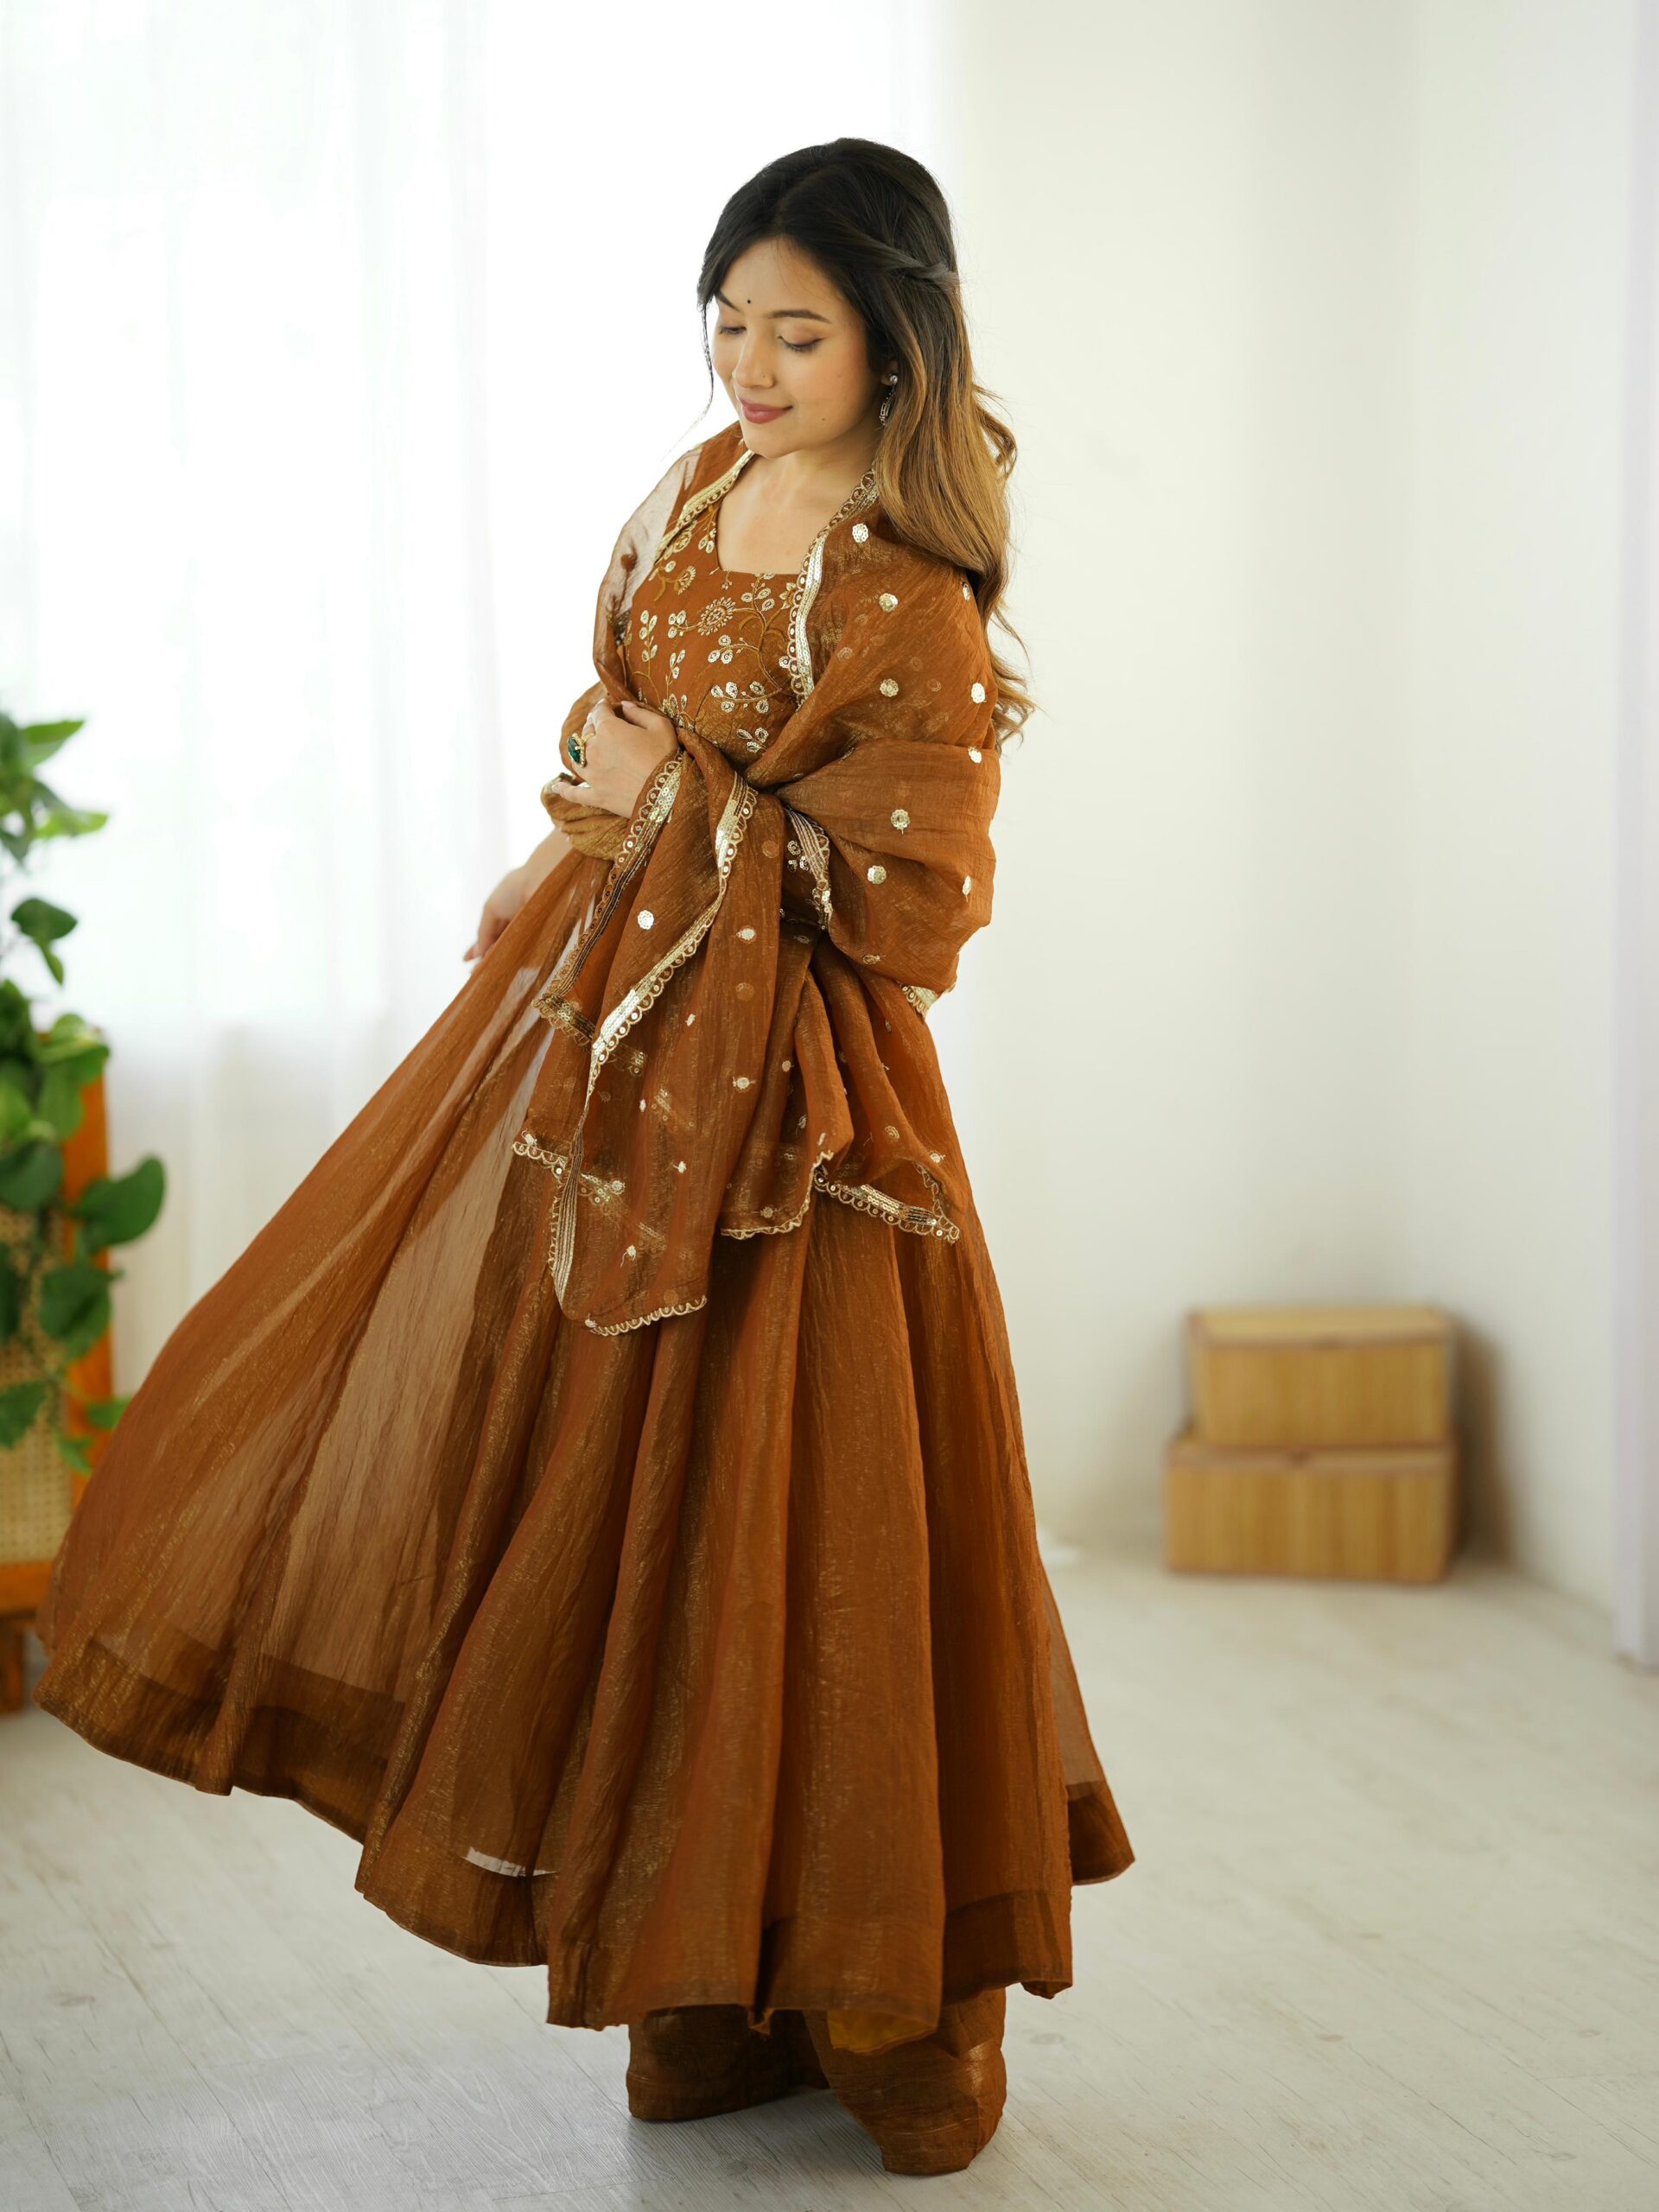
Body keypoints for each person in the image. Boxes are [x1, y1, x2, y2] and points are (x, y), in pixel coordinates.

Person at [31, 137, 1132, 2178]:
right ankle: (699, 1971)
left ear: (896, 344)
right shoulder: (693, 492)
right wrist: (567, 853)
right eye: (728, 322)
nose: (749, 366)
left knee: (826, 1519)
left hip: (813, 1124)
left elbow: (913, 906)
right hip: (621, 1072)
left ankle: (888, 1997)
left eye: (796, 332)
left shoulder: (905, 584)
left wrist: (663, 815)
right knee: (655, 1509)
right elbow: (613, 725)